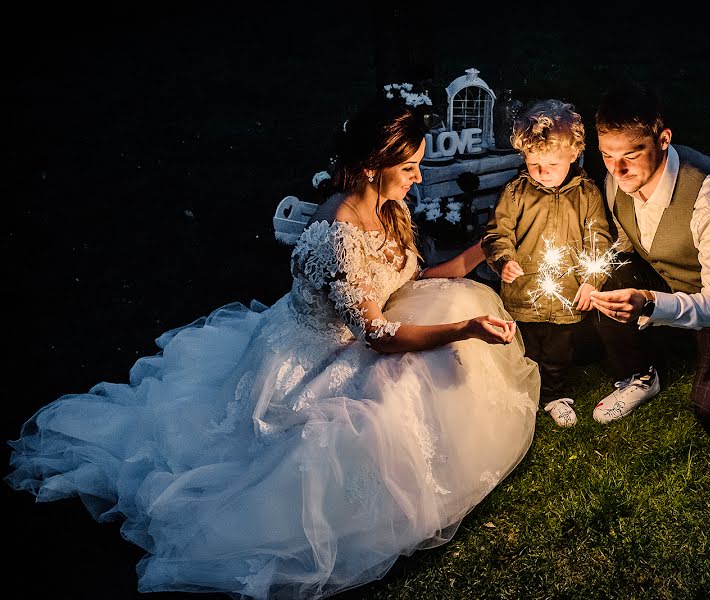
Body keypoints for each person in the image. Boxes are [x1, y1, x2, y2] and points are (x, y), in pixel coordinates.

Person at [6, 96, 541, 600]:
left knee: (447, 307)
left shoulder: (383, 205)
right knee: (393, 397)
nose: (418, 178)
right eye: (409, 169)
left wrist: (481, 251)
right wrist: (465, 328)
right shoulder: (338, 235)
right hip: (313, 359)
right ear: (375, 167)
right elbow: (377, 337)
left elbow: (409, 278)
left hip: (359, 331)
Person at [588, 80, 710, 441]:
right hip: (676, 284)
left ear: (663, 139)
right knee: (606, 283)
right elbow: (627, 242)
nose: (618, 169)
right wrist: (594, 276)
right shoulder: (618, 179)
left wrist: (648, 303)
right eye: (606, 155)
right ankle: (643, 374)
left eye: (631, 154)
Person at [481, 99, 613, 428]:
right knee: (523, 349)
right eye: (534, 163)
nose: (543, 172)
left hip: (566, 297)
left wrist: (590, 281)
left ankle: (556, 395)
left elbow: (599, 239)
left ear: (574, 155)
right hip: (524, 294)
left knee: (557, 352)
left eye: (552, 163)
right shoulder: (515, 194)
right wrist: (504, 260)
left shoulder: (587, 195)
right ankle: (523, 394)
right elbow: (497, 233)